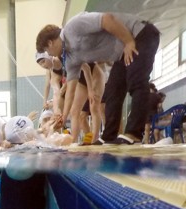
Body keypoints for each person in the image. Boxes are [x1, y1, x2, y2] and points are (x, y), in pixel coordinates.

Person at [36, 12, 160, 145]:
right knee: (112, 91)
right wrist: (63, 118)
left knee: (136, 81)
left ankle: (134, 134)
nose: (49, 55)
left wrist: (129, 41)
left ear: (50, 43)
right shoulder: (70, 58)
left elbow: (108, 19)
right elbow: (70, 91)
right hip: (122, 53)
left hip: (139, 35)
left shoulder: (73, 27)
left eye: (47, 51)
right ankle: (109, 136)